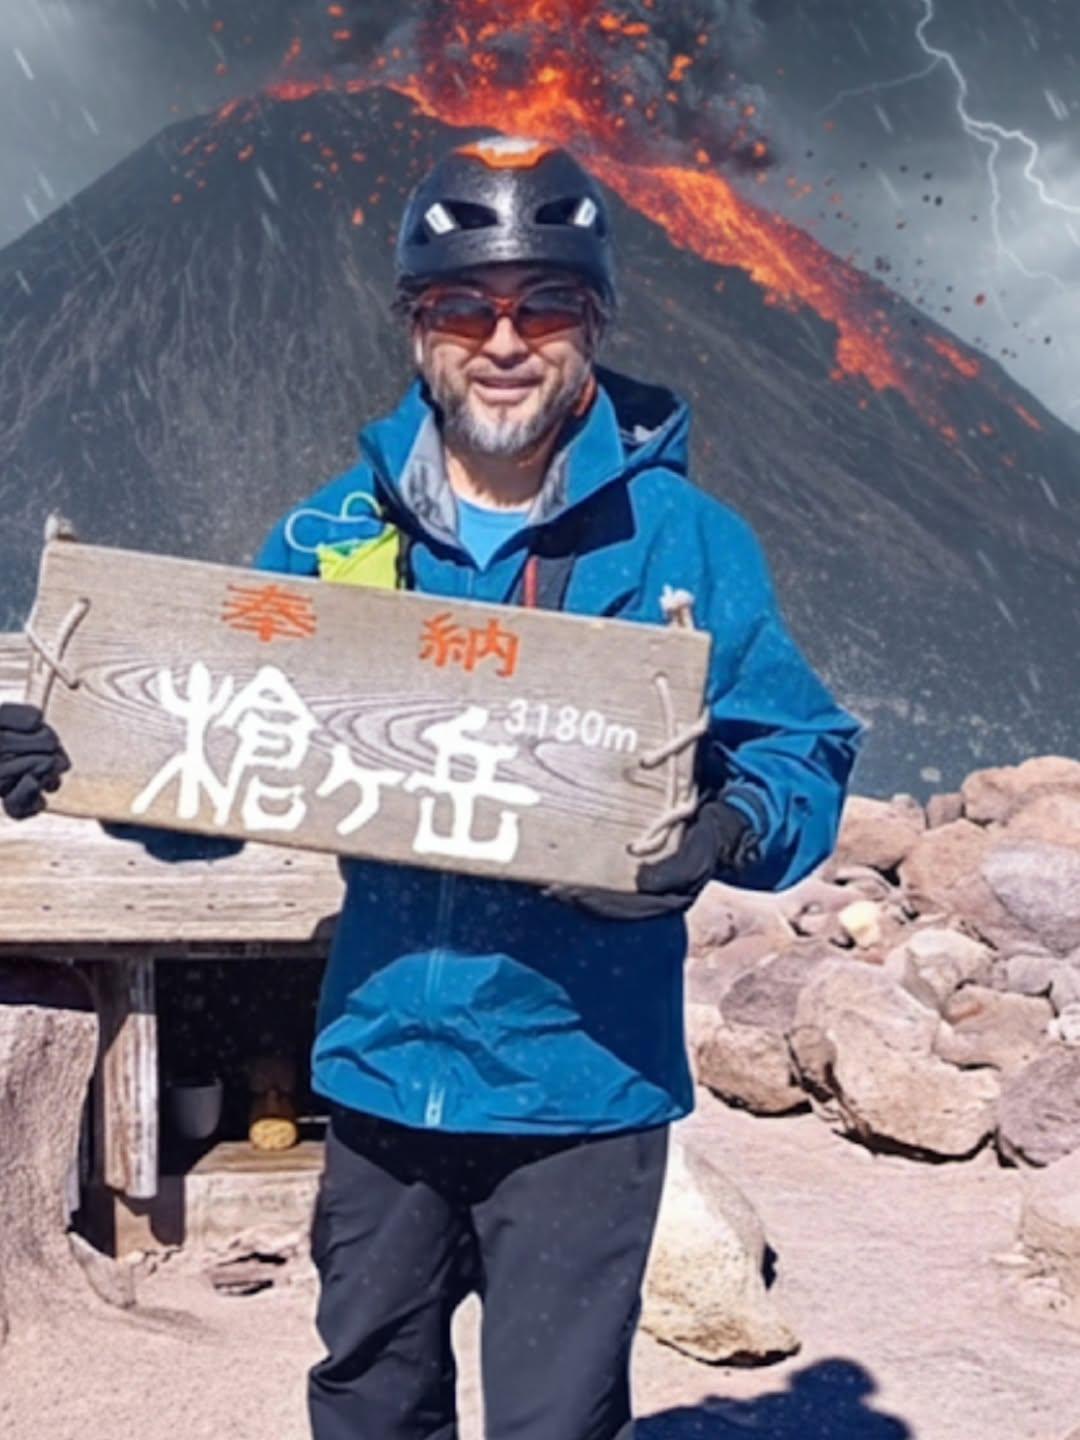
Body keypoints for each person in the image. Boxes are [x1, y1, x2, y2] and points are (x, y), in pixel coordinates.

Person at [0, 135, 864, 1440]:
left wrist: (730, 829)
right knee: (371, 1399)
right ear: (418, 325)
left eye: (544, 303)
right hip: (380, 1072)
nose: (503, 339)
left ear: (594, 321)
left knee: (556, 1420)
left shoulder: (686, 542)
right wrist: (85, 758)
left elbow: (799, 749)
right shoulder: (333, 535)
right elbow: (218, 756)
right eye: (465, 306)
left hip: (585, 1088)